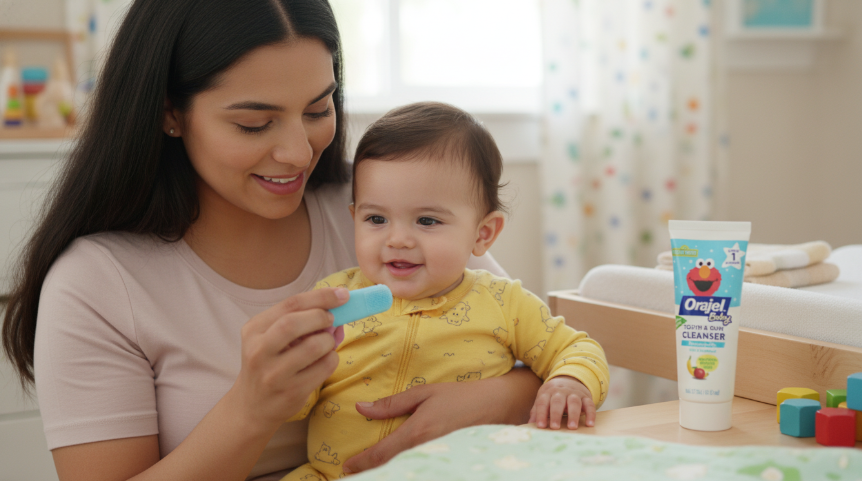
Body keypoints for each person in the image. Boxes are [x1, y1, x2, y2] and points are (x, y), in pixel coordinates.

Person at [0, 1, 544, 479]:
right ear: (170, 113)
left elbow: (543, 353)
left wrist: (489, 398)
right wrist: (251, 409)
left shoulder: (376, 213)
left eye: (318, 110)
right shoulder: (96, 284)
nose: (299, 153)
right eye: (255, 124)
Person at [285, 102, 610, 481]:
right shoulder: (335, 298)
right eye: (376, 219)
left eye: (427, 220)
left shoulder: (503, 302)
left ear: (482, 233)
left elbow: (577, 348)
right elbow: (293, 406)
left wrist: (568, 381)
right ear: (354, 217)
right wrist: (295, 370)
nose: (398, 239)